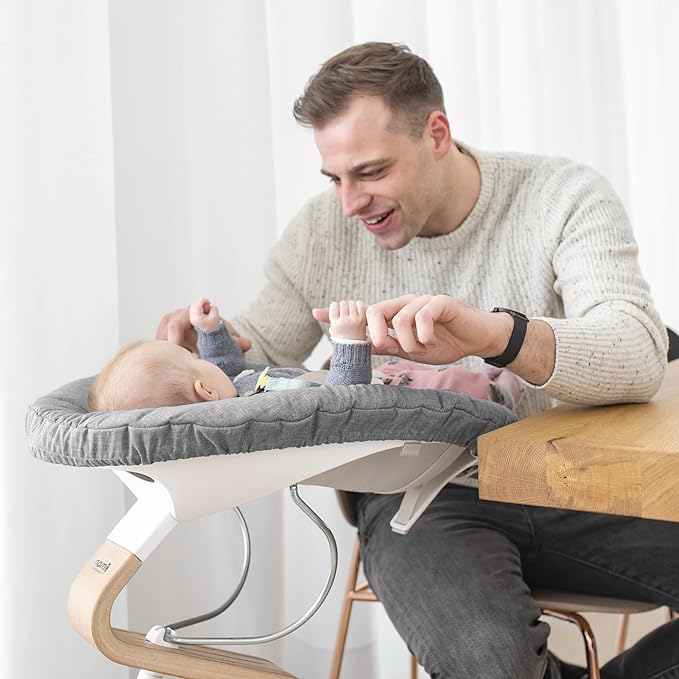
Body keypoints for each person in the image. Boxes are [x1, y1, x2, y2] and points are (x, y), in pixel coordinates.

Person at [156, 42, 677, 679]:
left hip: (579, 481)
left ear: (437, 133)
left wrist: (494, 335)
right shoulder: (322, 232)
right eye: (334, 178)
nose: (349, 203)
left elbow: (638, 351)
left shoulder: (561, 196)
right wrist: (201, 356)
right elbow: (261, 354)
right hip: (421, 501)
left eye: (371, 172)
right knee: (492, 665)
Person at [89, 297, 372, 411]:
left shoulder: (232, 395)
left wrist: (210, 331)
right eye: (195, 358)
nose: (204, 358)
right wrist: (349, 342)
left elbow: (225, 365)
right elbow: (339, 401)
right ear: (207, 391)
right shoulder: (263, 407)